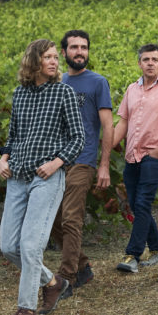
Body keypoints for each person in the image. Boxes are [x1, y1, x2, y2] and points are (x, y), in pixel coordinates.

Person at [0, 39, 85, 315]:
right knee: (9, 245)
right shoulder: (20, 95)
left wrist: (56, 162)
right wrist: (3, 158)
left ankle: (26, 309)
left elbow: (78, 138)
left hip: (47, 177)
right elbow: (13, 136)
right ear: (33, 62)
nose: (54, 61)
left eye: (54, 57)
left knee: (30, 245)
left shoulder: (64, 93)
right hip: (17, 176)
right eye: (47, 57)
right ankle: (53, 282)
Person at [114, 44, 158, 273]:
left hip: (155, 155)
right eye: (146, 59)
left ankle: (132, 255)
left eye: (155, 59)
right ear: (139, 63)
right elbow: (123, 122)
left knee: (143, 202)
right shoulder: (131, 90)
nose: (150, 63)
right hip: (132, 156)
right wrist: (107, 148)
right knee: (137, 205)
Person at [49, 30, 112, 294]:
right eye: (74, 47)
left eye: (84, 47)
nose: (80, 52)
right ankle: (83, 266)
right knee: (52, 218)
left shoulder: (97, 83)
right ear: (64, 53)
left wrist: (104, 165)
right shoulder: (55, 82)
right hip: (54, 162)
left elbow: (107, 125)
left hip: (83, 159)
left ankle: (67, 277)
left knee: (72, 218)